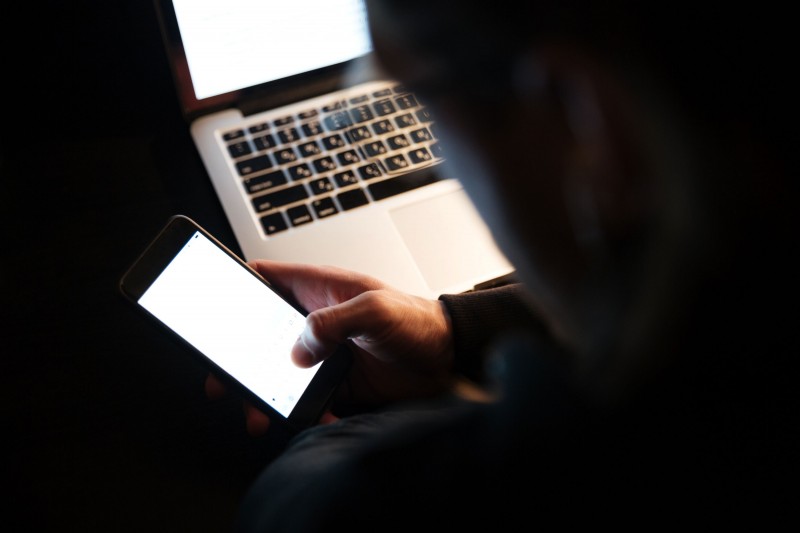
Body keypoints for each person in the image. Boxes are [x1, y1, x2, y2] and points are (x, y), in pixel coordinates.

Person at [206, 1, 796, 528]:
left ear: (591, 122)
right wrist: (452, 333)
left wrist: (327, 456)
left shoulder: (370, 501)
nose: (440, 167)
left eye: (426, 107)